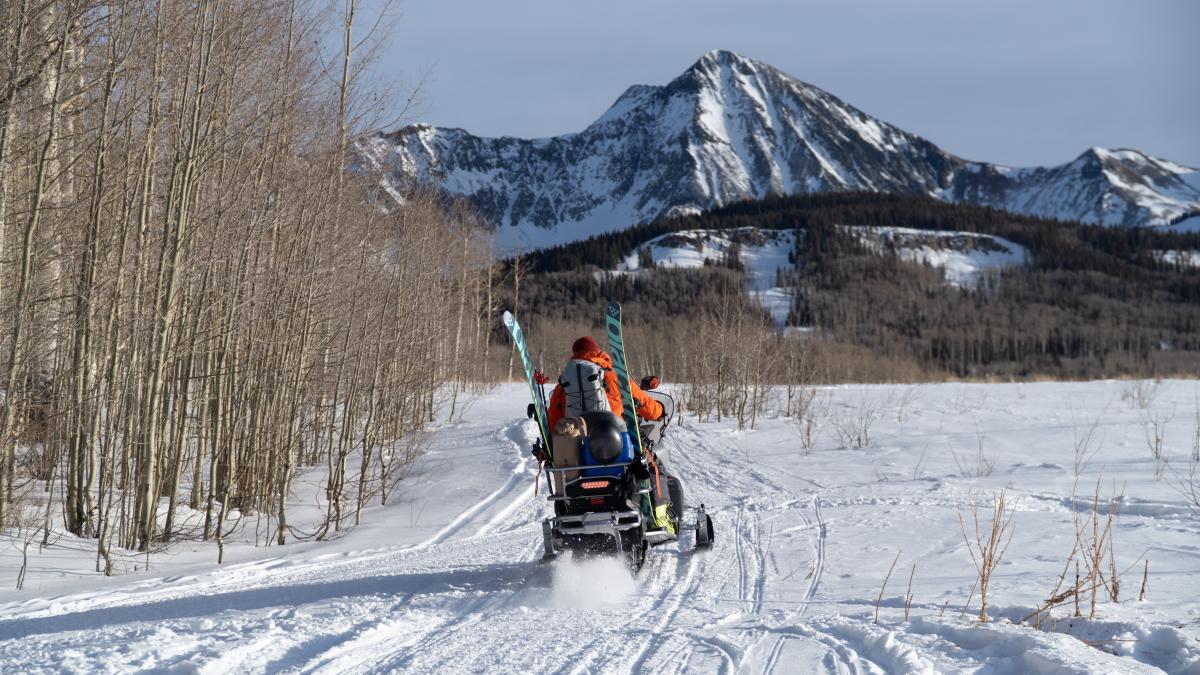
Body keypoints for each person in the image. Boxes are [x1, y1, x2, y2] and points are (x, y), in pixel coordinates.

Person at [546, 336, 663, 434]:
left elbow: (553, 421)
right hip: (615, 441)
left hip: (577, 448)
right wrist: (659, 411)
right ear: (596, 352)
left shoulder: (562, 385)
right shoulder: (614, 377)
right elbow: (644, 404)